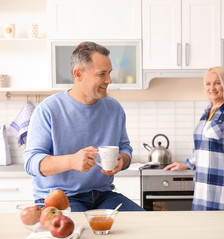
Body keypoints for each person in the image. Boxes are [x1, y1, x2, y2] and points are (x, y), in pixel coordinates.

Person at [24, 41, 143, 212]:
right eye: (102, 74)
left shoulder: (114, 109)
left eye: (109, 73)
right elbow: (31, 163)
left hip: (104, 196)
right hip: (61, 197)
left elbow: (125, 148)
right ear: (78, 74)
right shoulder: (48, 110)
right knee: (80, 235)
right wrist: (71, 161)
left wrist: (122, 160)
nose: (109, 80)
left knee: (145, 225)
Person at [164, 66, 224, 210]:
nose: (212, 88)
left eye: (217, 83)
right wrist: (186, 164)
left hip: (223, 184)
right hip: (203, 184)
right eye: (208, 84)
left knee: (222, 229)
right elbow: (204, 147)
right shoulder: (207, 111)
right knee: (203, 228)